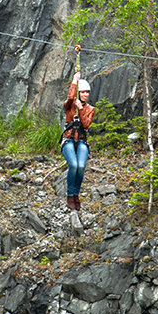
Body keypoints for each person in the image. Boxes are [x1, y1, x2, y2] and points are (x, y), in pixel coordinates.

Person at [61, 69, 95, 211]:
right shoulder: (70, 106)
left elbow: (86, 124)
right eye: (83, 92)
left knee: (81, 167)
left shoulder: (90, 109)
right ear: (78, 93)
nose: (85, 94)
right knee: (73, 165)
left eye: (87, 92)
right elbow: (70, 97)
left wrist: (81, 109)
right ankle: (70, 195)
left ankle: (76, 195)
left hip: (81, 140)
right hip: (68, 139)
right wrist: (75, 81)